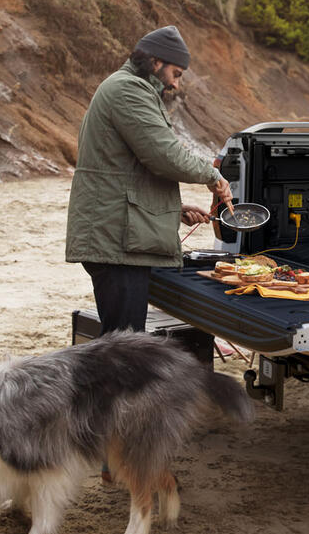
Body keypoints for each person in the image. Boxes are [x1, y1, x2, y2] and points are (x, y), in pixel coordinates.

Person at [66, 25, 233, 334]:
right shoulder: (129, 89)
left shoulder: (124, 87)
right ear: (155, 62)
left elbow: (126, 169)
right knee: (125, 345)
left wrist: (172, 210)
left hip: (119, 235)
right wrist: (213, 176)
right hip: (117, 243)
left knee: (123, 341)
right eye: (176, 73)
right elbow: (164, 155)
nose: (176, 83)